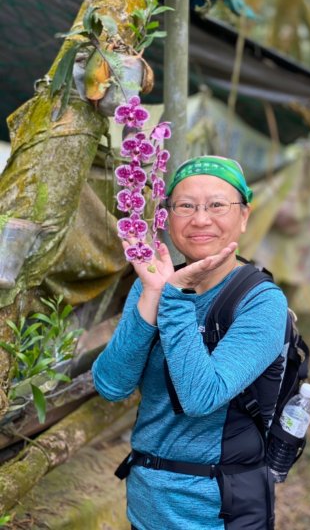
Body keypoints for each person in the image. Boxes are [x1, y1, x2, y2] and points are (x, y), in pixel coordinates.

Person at [92, 156, 288, 530]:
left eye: (217, 205)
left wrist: (176, 298)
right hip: (146, 504)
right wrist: (153, 293)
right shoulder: (154, 281)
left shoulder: (262, 302)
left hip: (218, 512)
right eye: (185, 206)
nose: (200, 219)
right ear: (167, 217)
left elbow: (200, 398)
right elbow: (111, 386)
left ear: (244, 217)